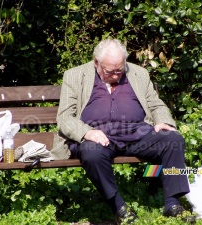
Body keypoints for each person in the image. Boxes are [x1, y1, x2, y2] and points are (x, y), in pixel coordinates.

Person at [56, 38, 191, 224]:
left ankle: (173, 204)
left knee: (173, 140)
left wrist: (163, 121)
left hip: (137, 134)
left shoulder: (139, 74)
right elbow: (64, 117)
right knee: (91, 153)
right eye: (110, 71)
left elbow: (155, 104)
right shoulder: (75, 76)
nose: (116, 76)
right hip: (99, 138)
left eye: (120, 70)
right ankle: (119, 207)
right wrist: (87, 133)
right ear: (96, 62)